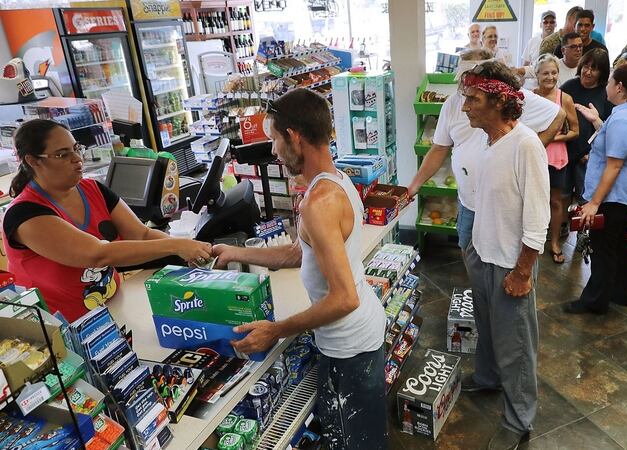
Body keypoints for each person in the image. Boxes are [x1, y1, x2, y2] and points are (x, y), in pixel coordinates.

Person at [212, 89, 387, 449]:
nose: (273, 150)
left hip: (349, 347)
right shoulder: (334, 180)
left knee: (354, 441)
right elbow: (299, 254)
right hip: (360, 336)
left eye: (274, 139)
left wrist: (275, 330)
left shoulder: (319, 203)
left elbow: (344, 299)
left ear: (293, 135)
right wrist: (233, 251)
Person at [1, 119, 212, 322]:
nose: (77, 159)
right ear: (33, 160)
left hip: (111, 306)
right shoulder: (25, 214)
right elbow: (97, 254)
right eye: (62, 154)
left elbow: (141, 234)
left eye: (76, 148)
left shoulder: (92, 189)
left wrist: (188, 250)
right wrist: (175, 245)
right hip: (63, 327)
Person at [459, 61, 549, 450]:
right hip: (484, 252)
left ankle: (519, 418)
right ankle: (488, 377)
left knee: (516, 345)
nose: (465, 107)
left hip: (512, 263)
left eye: (474, 99)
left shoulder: (526, 145)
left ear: (499, 102)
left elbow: (537, 218)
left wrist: (523, 271)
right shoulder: (487, 139)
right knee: (489, 329)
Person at [408, 49, 564, 256]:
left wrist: (534, 148)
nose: (465, 103)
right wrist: (414, 186)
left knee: (504, 267)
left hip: (502, 210)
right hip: (468, 203)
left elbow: (558, 114)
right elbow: (439, 148)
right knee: (471, 256)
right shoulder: (453, 104)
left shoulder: (513, 101)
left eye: (472, 93)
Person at [562, 63, 627, 315]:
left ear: (620, 87)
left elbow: (614, 166)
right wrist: (599, 123)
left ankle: (594, 301)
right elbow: (624, 143)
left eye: (610, 80)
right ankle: (620, 293)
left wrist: (594, 203)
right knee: (619, 243)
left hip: (614, 195)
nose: (606, 85)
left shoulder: (624, 119)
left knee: (603, 248)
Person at [533, 54, 579, 263]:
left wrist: (552, 137)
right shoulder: (530, 97)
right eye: (545, 73)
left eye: (554, 72)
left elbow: (575, 131)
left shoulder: (564, 98)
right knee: (531, 200)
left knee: (555, 201)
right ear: (537, 75)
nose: (550, 77)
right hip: (533, 155)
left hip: (556, 156)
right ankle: (531, 241)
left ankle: (554, 242)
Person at [561, 49, 614, 208]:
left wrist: (593, 153)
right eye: (585, 66)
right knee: (562, 195)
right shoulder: (569, 86)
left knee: (586, 197)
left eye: (594, 69)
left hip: (590, 157)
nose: (588, 72)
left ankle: (585, 229)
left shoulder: (607, 93)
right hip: (566, 151)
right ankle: (563, 226)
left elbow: (610, 129)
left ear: (602, 72)